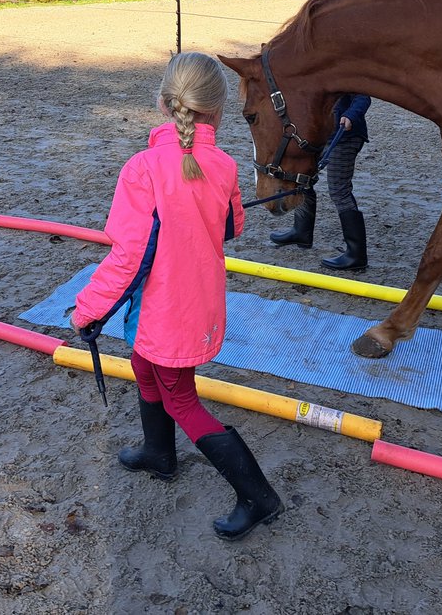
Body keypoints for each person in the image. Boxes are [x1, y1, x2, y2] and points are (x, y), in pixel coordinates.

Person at [70, 52, 284, 541]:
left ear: (164, 104)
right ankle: (158, 454)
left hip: (169, 307)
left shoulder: (143, 168)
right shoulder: (224, 164)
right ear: (217, 110)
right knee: (145, 367)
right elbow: (232, 227)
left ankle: (259, 497)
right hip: (184, 304)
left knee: (183, 400)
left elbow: (127, 258)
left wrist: (87, 311)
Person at [270, 93, 371, 272]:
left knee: (339, 190)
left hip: (345, 136)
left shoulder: (347, 66)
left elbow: (363, 97)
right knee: (302, 178)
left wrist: (350, 115)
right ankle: (302, 232)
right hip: (319, 135)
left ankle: (357, 254)